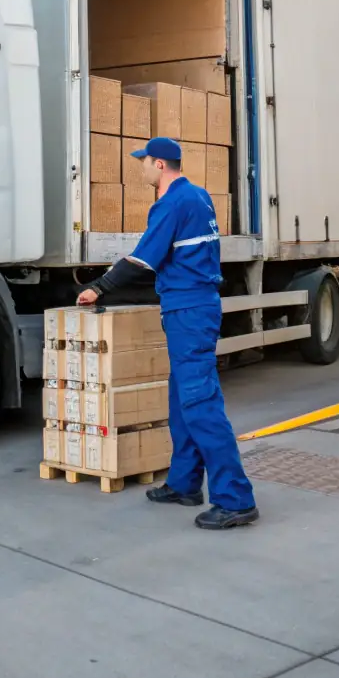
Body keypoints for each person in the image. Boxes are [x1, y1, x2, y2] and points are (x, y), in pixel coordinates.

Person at [77, 136, 258, 530]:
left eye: (144, 161)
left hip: (189, 309)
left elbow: (142, 259)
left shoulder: (172, 203)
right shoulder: (198, 195)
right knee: (181, 399)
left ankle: (236, 498)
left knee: (200, 402)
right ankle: (184, 484)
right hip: (189, 304)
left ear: (160, 165)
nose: (141, 167)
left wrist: (99, 286)